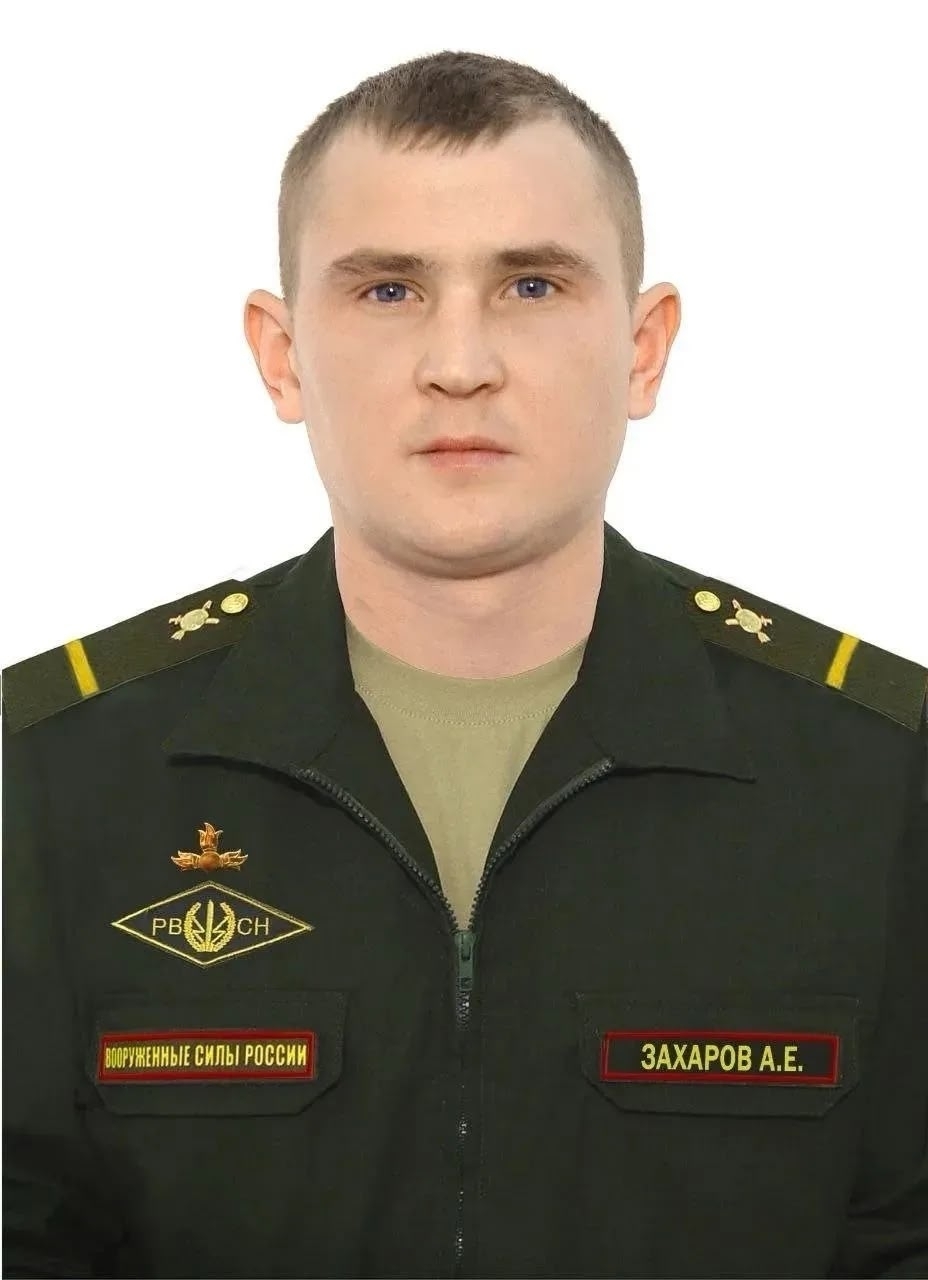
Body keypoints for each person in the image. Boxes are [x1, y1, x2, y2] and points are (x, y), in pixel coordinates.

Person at [3, 47, 926, 1280]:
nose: (459, 360)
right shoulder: (47, 780)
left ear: (642, 348)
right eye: (387, 289)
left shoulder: (883, 780)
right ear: (281, 355)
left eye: (531, 284)